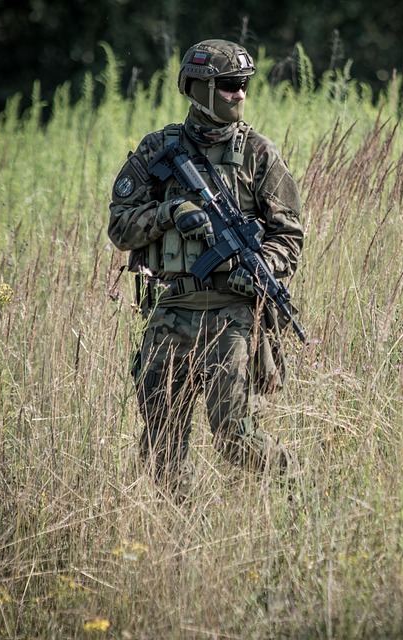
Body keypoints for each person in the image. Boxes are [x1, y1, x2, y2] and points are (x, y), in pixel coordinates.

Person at [107, 39, 303, 488]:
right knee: (162, 445)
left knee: (235, 438)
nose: (240, 93)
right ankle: (179, 539)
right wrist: (168, 213)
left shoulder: (258, 154)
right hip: (170, 313)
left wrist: (259, 268)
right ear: (197, 88)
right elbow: (119, 228)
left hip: (232, 316)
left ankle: (299, 483)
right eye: (230, 84)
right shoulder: (159, 150)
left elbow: (289, 236)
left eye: (244, 85)